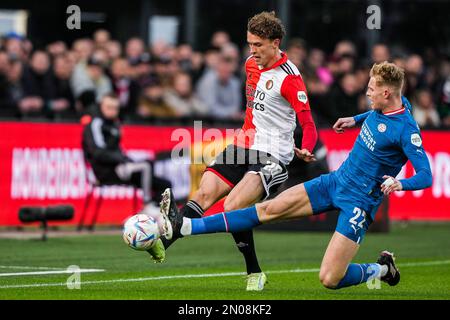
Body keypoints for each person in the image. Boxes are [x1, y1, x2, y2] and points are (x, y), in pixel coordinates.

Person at [159, 61, 432, 290]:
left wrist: (400, 183)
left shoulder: (407, 130)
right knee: (268, 209)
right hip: (336, 181)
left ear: (386, 93)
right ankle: (186, 226)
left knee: (330, 278)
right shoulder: (393, 103)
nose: (367, 92)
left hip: (359, 202)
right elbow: (376, 116)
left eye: (372, 89)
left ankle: (381, 270)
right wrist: (355, 119)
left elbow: (426, 175)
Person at [150, 11, 318, 291]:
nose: (252, 51)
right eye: (250, 44)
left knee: (233, 206)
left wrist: (307, 148)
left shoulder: (290, 79)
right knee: (203, 194)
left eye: (259, 45)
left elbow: (309, 123)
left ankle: (253, 270)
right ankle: (162, 242)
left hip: (273, 154)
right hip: (244, 143)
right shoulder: (250, 64)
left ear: (275, 43)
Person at [82, 93, 171, 259]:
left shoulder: (115, 124)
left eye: (115, 107)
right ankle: (146, 205)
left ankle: (163, 217)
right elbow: (98, 153)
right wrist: (122, 160)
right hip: (105, 171)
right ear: (102, 106)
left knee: (164, 183)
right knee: (145, 166)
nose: (112, 111)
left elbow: (118, 151)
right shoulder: (96, 124)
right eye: (109, 107)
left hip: (119, 166)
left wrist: (124, 159)